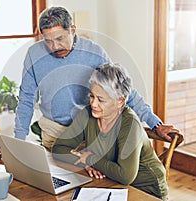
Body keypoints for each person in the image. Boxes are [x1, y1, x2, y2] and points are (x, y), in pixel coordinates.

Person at [14, 6, 178, 149]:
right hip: (52, 132)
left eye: (59, 39)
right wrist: (18, 143)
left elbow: (122, 90)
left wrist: (156, 124)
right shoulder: (34, 54)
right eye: (48, 41)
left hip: (88, 133)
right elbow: (26, 98)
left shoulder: (94, 53)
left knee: (91, 182)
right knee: (57, 183)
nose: (55, 47)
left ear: (72, 29)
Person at [52, 63, 168, 200]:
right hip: (111, 183)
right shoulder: (87, 114)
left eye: (101, 100)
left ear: (120, 101)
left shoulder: (130, 124)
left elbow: (125, 176)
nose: (93, 104)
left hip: (146, 191)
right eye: (92, 96)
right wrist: (85, 162)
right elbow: (59, 149)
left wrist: (89, 157)